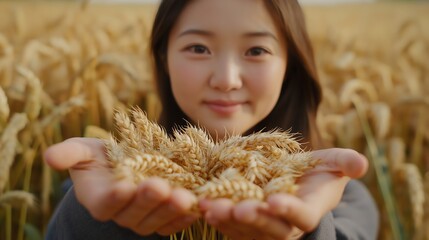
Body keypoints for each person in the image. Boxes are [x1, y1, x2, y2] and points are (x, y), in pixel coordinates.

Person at [44, 0, 379, 239]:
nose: (226, 79)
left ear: (290, 65)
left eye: (256, 50)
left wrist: (307, 231)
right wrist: (107, 218)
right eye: (199, 48)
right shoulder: (102, 185)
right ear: (164, 59)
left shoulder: (347, 202)